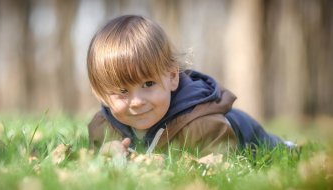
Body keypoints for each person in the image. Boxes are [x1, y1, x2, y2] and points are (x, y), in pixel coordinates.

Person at [86, 15, 291, 158]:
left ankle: (289, 146)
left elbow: (221, 164)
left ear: (173, 77)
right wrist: (105, 154)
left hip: (250, 135)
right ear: (102, 94)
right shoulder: (104, 127)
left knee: (281, 148)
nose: (137, 102)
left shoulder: (202, 124)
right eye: (122, 91)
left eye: (148, 84)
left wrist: (169, 165)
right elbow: (95, 161)